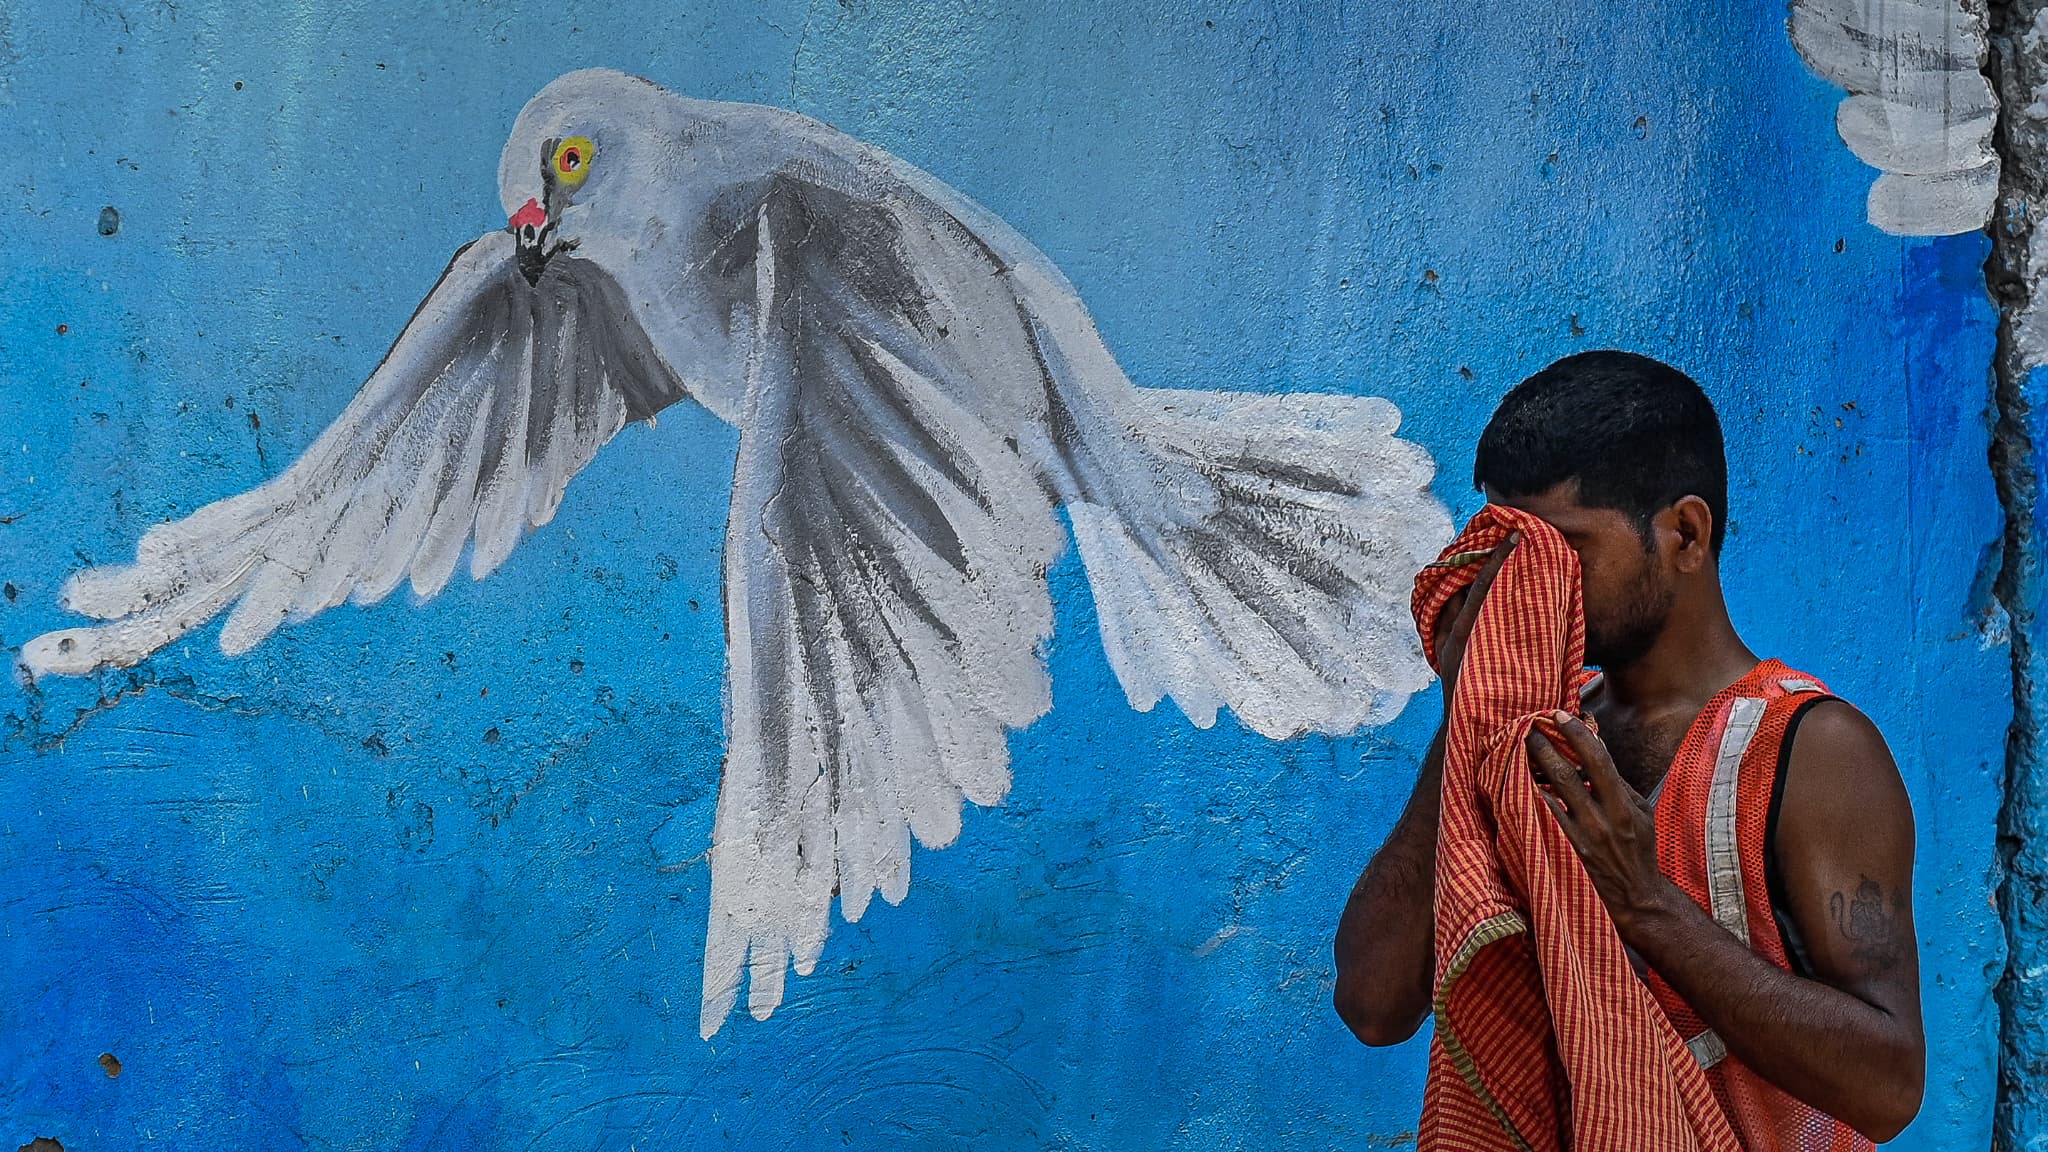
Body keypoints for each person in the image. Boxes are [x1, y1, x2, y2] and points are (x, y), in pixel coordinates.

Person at [1332, 351, 1924, 1145]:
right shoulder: (1531, 737)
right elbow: (1373, 1004)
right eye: (1507, 553)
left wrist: (1645, 903)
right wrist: (1464, 715)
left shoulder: (1812, 750)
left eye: (1563, 552)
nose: (1525, 586)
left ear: (1685, 532)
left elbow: (1889, 1087)